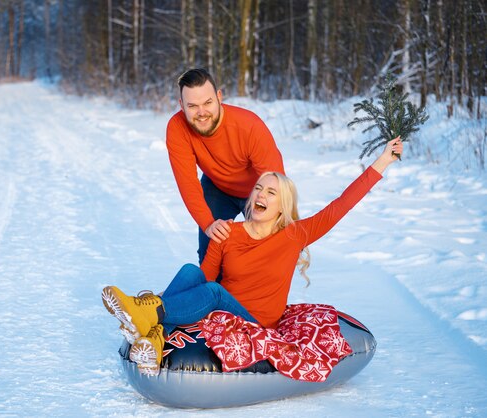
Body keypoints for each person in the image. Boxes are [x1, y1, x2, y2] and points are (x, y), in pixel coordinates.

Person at [102, 138, 403, 376]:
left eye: (271, 192)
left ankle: (147, 312)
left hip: (255, 322)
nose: (261, 194)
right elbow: (204, 279)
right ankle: (154, 338)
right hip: (222, 313)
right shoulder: (228, 232)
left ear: (282, 206)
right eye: (258, 188)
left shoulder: (294, 234)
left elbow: (341, 205)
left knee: (214, 291)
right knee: (190, 272)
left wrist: (383, 161)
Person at [166, 68, 285, 264]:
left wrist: (280, 222)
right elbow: (187, 183)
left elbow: (277, 181)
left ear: (219, 97)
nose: (202, 113)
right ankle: (206, 292)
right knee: (210, 254)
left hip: (258, 190)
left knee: (265, 255)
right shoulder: (177, 128)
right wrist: (208, 224)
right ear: (181, 105)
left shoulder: (249, 126)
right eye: (193, 106)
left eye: (207, 103)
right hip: (217, 187)